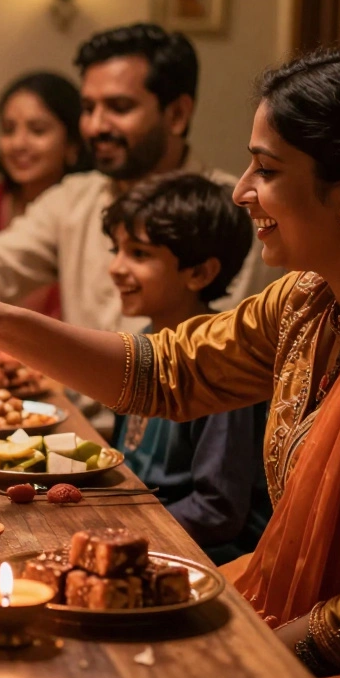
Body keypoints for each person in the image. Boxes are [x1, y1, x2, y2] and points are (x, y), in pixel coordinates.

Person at [0, 44, 340, 676]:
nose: (243, 192)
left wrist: (212, 658)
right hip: (282, 610)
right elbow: (165, 371)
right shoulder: (305, 302)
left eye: (266, 171)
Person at [0, 23, 283, 334]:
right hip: (77, 421)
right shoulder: (76, 197)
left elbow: (225, 350)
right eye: (88, 108)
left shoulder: (231, 210)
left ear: (176, 114)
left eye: (118, 107)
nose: (96, 126)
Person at [103, 172, 271, 563]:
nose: (115, 267)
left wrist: (118, 533)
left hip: (203, 555)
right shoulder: (145, 339)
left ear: (200, 273)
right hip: (142, 526)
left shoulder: (223, 361)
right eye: (117, 249)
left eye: (139, 254)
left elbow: (218, 511)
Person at [0, 71, 92, 317]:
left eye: (38, 130)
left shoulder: (85, 211)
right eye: (9, 130)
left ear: (72, 143)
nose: (19, 144)